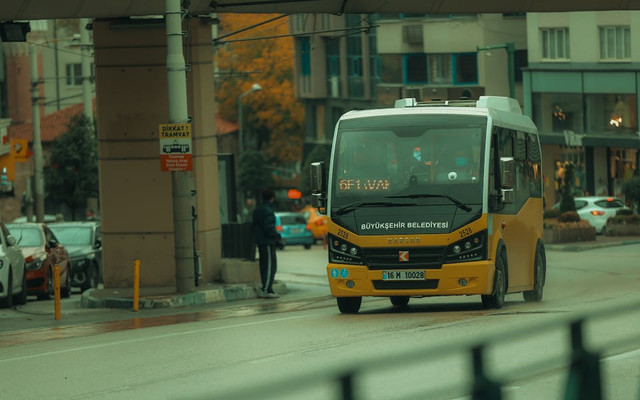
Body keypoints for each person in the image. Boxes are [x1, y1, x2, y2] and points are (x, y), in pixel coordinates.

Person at [252, 189, 282, 298]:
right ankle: (267, 290)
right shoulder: (268, 210)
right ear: (272, 198)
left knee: (264, 266)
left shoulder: (258, 209)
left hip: (261, 242)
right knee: (270, 266)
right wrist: (276, 236)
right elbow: (268, 227)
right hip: (268, 242)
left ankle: (266, 288)